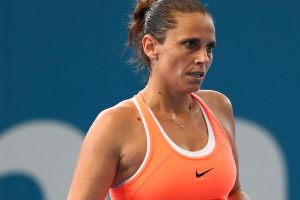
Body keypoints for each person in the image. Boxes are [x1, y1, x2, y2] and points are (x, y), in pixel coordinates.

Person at [67, 0, 250, 199]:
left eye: (209, 48)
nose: (203, 58)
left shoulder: (218, 107)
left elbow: (234, 193)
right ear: (150, 46)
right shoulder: (114, 125)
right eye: (190, 44)